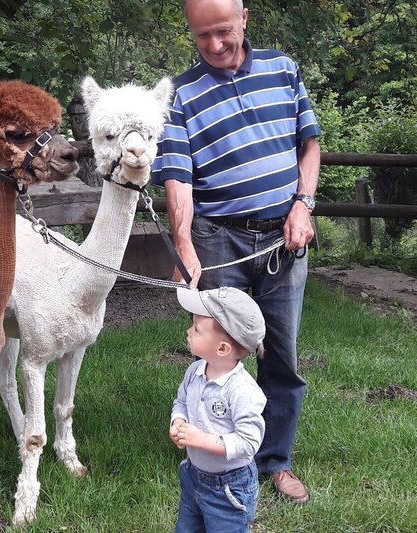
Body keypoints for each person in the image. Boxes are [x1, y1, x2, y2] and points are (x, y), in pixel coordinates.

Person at [151, 0, 321, 503]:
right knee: (219, 353)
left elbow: (308, 146)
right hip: (216, 237)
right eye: (202, 36)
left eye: (223, 30)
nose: (215, 44)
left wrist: (303, 206)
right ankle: (214, 454)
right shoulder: (181, 94)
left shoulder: (282, 69)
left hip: (283, 238)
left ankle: (274, 460)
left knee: (282, 353)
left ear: (244, 18)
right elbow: (178, 175)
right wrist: (183, 243)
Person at [170, 286, 267, 533]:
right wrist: (178, 422)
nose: (188, 331)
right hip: (194, 477)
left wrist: (203, 440)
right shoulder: (194, 372)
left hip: (229, 488)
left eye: (197, 330)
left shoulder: (242, 391)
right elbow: (180, 402)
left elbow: (248, 442)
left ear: (222, 348)